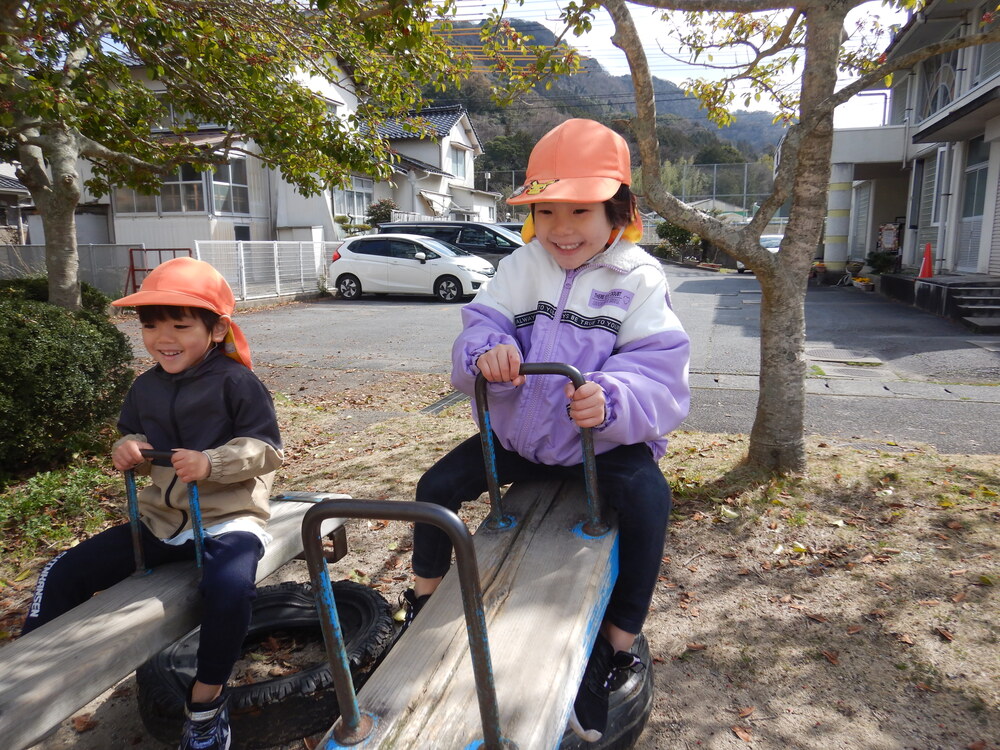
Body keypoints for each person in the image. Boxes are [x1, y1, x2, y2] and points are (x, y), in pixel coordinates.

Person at [402, 118, 691, 742]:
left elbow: (661, 376)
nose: (562, 228)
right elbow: (478, 328)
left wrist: (611, 400)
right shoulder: (522, 265)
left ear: (616, 208)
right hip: (520, 442)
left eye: (580, 210)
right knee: (434, 487)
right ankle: (422, 600)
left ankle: (616, 642)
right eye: (548, 210)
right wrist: (487, 355)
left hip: (598, 445)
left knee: (648, 499)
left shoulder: (637, 279)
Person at [22, 257, 283, 750]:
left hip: (229, 520)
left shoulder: (236, 381)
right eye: (150, 326)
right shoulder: (145, 385)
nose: (164, 338)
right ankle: (25, 679)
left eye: (181, 325)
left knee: (229, 592)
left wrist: (213, 463)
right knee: (61, 570)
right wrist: (129, 448)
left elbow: (266, 449)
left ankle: (206, 705)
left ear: (216, 328)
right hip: (161, 521)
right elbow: (134, 435)